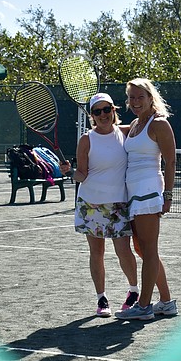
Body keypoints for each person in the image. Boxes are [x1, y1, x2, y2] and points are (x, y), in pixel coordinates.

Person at [71, 93, 140, 317]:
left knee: (123, 251)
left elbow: (148, 121)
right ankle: (101, 299)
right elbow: (82, 174)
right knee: (97, 252)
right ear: (92, 116)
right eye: (97, 112)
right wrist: (70, 173)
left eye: (106, 110)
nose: (103, 115)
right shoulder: (86, 139)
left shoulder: (125, 132)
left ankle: (133, 292)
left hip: (119, 204)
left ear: (114, 110)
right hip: (90, 203)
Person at [115, 78, 177, 321]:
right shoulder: (134, 125)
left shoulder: (159, 124)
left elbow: (171, 161)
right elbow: (111, 131)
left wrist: (168, 195)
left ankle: (143, 306)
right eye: (131, 97)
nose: (135, 102)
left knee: (149, 249)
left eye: (140, 97)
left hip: (149, 191)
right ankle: (166, 302)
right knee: (143, 249)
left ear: (151, 98)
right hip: (133, 193)